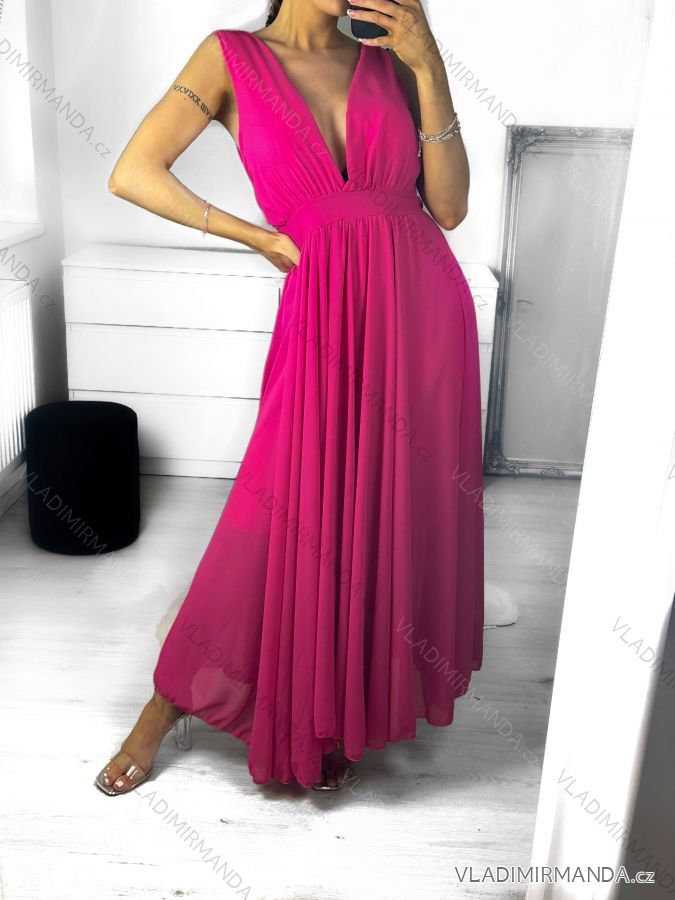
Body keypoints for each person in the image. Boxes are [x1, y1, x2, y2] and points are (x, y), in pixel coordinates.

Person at [96, 0, 483, 795]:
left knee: (382, 511)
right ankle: (168, 702)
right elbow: (133, 172)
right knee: (282, 504)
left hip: (420, 313)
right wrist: (259, 237)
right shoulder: (230, 57)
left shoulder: (390, 60)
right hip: (324, 307)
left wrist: (430, 64)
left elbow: (447, 209)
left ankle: (332, 714)